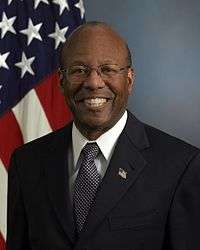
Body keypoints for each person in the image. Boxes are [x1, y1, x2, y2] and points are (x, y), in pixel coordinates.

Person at [6, 21, 200, 250]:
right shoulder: (26, 162)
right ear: (61, 81)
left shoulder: (181, 166)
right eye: (79, 70)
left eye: (108, 69)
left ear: (129, 79)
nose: (94, 82)